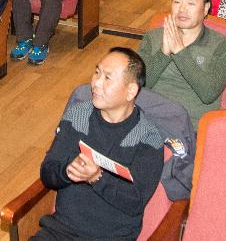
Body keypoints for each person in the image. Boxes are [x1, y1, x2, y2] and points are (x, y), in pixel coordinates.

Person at [31, 48, 165, 240]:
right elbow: (48, 173)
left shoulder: (147, 138)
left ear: (131, 91)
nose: (96, 83)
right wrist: (68, 170)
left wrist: (97, 178)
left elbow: (135, 202)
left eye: (108, 78)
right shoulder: (79, 116)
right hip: (60, 232)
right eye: (97, 72)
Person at [136, 0, 226, 128]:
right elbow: (138, 84)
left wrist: (180, 51)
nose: (182, 9)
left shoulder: (223, 45)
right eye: (177, 2)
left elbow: (208, 93)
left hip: (189, 127)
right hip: (148, 120)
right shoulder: (153, 37)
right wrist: (164, 53)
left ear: (206, 8)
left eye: (191, 3)